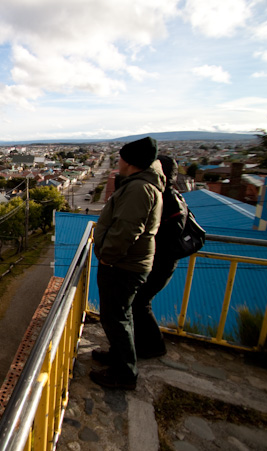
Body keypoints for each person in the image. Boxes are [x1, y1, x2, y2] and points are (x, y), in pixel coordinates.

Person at [90, 137, 165, 390]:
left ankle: (124, 374)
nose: (118, 161)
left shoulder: (139, 189)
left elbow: (126, 230)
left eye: (120, 157)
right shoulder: (140, 185)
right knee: (120, 316)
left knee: (117, 318)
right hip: (126, 263)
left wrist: (107, 256)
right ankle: (118, 356)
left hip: (123, 265)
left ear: (131, 162)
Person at [131, 155, 186, 358]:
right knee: (139, 303)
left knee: (139, 303)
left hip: (158, 262)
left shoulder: (165, 200)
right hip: (161, 262)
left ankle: (151, 346)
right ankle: (144, 345)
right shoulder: (174, 197)